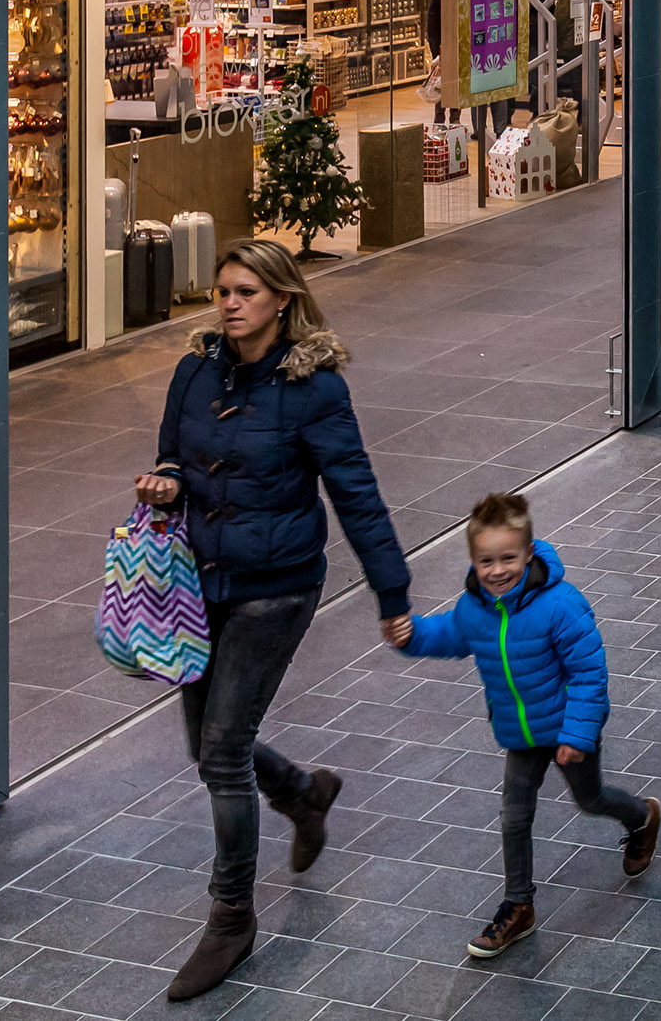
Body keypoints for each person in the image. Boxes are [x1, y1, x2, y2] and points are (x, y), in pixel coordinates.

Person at [133, 239, 414, 1001]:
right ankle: (301, 793)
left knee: (221, 753)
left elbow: (355, 492)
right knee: (207, 744)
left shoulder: (313, 389)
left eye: (246, 292)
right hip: (202, 582)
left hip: (275, 587)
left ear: (281, 300)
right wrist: (164, 485)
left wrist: (393, 593)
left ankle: (231, 919)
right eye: (223, 290)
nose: (229, 303)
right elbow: (174, 458)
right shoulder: (193, 371)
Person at [389, 492, 661, 960]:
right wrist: (412, 635)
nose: (497, 571)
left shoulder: (561, 605)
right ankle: (519, 906)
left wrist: (577, 736)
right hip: (520, 734)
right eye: (486, 561)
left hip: (568, 729)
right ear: (473, 561)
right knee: (514, 817)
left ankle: (643, 817)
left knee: (590, 798)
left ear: (529, 554)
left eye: (508, 558)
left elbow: (589, 674)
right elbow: (451, 636)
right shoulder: (475, 608)